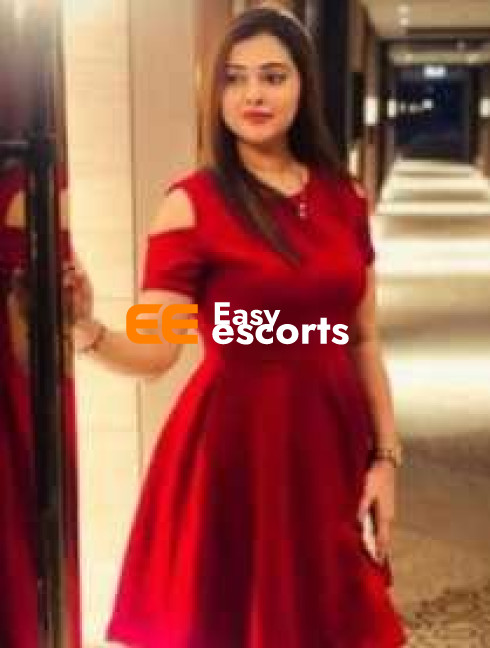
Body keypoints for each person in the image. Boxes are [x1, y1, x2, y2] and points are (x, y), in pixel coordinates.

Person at [68, 5, 406, 646]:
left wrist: (386, 457)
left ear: (303, 86)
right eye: (235, 77)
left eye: (273, 76)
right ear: (215, 92)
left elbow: (362, 337)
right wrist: (88, 329)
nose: (254, 94)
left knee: (335, 617)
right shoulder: (189, 203)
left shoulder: (345, 197)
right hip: (235, 450)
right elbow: (155, 347)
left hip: (331, 444)